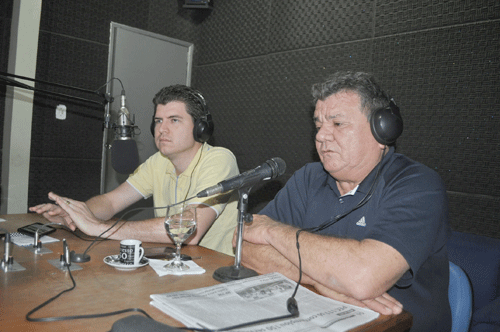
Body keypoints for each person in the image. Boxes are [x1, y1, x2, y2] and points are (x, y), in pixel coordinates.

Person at [238, 71, 451, 331]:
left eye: (337, 124)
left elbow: (363, 279)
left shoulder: (417, 184)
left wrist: (272, 231)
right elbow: (243, 244)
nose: (321, 136)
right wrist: (322, 281)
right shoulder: (308, 177)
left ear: (382, 130)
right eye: (318, 126)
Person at [30, 85, 239, 256]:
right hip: (173, 264)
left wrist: (100, 227)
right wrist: (76, 213)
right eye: (158, 121)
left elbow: (189, 231)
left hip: (213, 270)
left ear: (200, 127)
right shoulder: (159, 161)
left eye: (174, 120)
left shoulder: (220, 159)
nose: (162, 129)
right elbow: (111, 202)